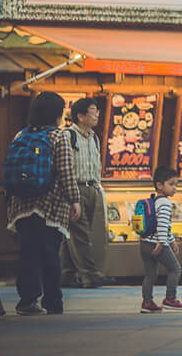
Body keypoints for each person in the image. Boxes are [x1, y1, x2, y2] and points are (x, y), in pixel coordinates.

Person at [5, 91, 81, 316]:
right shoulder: (59, 136)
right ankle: (53, 302)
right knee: (49, 253)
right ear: (57, 114)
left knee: (28, 253)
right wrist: (74, 200)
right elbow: (66, 171)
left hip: (21, 206)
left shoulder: (21, 135)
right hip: (50, 205)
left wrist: (10, 202)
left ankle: (27, 301)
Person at [60, 96, 113, 289]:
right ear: (80, 116)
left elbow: (95, 165)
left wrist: (98, 187)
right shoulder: (68, 136)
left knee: (73, 235)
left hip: (91, 189)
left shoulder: (94, 137)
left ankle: (66, 274)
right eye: (93, 111)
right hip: (74, 188)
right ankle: (90, 275)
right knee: (80, 234)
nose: (97, 114)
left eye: (97, 110)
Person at [140, 165, 182, 312]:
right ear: (159, 185)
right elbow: (163, 225)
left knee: (150, 274)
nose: (175, 188)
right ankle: (170, 299)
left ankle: (147, 303)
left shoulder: (153, 200)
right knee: (175, 269)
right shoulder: (165, 203)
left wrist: (171, 240)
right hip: (157, 243)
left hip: (144, 243)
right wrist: (163, 242)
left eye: (176, 185)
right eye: (171, 184)